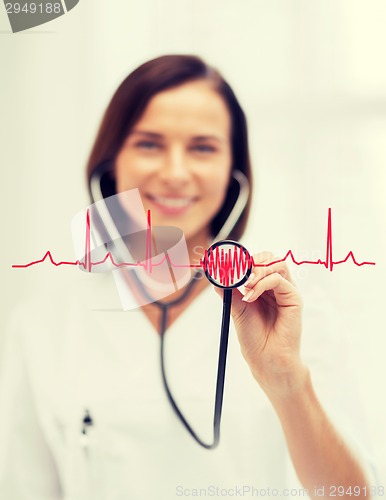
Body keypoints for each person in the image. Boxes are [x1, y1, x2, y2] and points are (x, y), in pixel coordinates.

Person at [0, 55, 377, 500]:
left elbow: (353, 496)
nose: (175, 173)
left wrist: (286, 381)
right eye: (149, 144)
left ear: (234, 172)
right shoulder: (45, 325)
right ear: (111, 162)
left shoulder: (291, 306)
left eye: (202, 147)